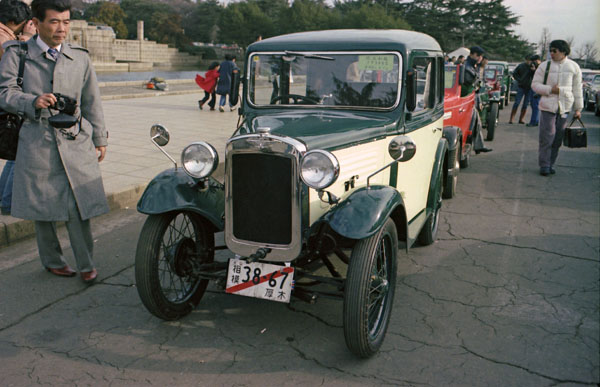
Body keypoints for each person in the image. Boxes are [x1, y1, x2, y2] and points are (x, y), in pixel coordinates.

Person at [0, 0, 109, 282]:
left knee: (77, 204)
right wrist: (31, 101)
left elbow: (91, 100)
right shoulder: (17, 53)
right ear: (35, 23)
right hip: (36, 139)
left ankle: (86, 264)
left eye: (66, 22)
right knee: (43, 207)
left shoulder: (80, 57)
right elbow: (4, 94)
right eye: (54, 22)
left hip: (75, 139)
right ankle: (52, 260)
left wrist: (99, 137)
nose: (62, 29)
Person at [0, 0, 36, 215]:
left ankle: (4, 197)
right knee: (19, 152)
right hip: (7, 103)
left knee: (15, 153)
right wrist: (29, 40)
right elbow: (13, 68)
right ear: (14, 21)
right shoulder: (5, 40)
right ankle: (8, 201)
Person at [531, 40, 583, 176]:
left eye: (555, 51)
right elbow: (535, 85)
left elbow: (577, 89)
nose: (552, 53)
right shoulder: (544, 66)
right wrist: (550, 90)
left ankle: (551, 163)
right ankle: (544, 165)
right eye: (551, 50)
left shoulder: (574, 67)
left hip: (565, 107)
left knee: (558, 137)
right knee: (547, 137)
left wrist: (578, 109)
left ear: (563, 51)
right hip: (548, 106)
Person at [509, 54, 535, 124]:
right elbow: (514, 73)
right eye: (528, 60)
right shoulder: (521, 66)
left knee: (525, 104)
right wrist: (519, 80)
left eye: (531, 60)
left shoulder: (533, 66)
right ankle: (512, 118)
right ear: (526, 60)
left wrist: (533, 70)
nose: (529, 62)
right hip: (521, 86)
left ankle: (521, 119)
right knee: (517, 103)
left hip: (529, 87)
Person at [526, 54, 541, 127]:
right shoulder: (534, 67)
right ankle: (535, 120)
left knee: (535, 104)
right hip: (533, 86)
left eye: (534, 61)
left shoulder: (542, 67)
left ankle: (533, 121)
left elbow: (539, 77)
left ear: (538, 60)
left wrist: (535, 70)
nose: (533, 63)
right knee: (533, 104)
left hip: (538, 87)